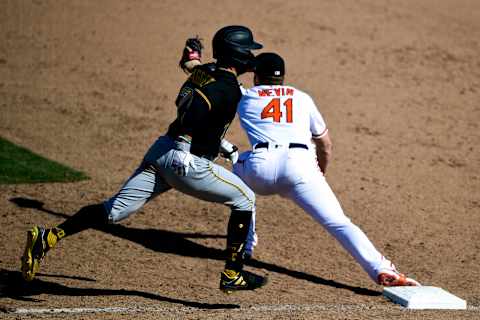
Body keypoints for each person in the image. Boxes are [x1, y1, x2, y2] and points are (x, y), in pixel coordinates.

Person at [20, 25, 267, 293]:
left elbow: (190, 66)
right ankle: (233, 273)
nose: (250, 57)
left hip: (161, 152)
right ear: (238, 55)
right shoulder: (226, 89)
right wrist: (193, 134)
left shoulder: (206, 72)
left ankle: (48, 238)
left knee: (114, 210)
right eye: (247, 52)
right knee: (245, 198)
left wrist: (192, 54)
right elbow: (193, 112)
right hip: (186, 163)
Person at [233, 52, 421, 287]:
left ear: (256, 76)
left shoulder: (245, 95)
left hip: (260, 168)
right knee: (339, 222)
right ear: (283, 77)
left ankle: (245, 243)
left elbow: (215, 82)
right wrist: (318, 173)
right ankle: (381, 269)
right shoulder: (302, 97)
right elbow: (325, 145)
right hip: (301, 166)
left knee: (237, 169)